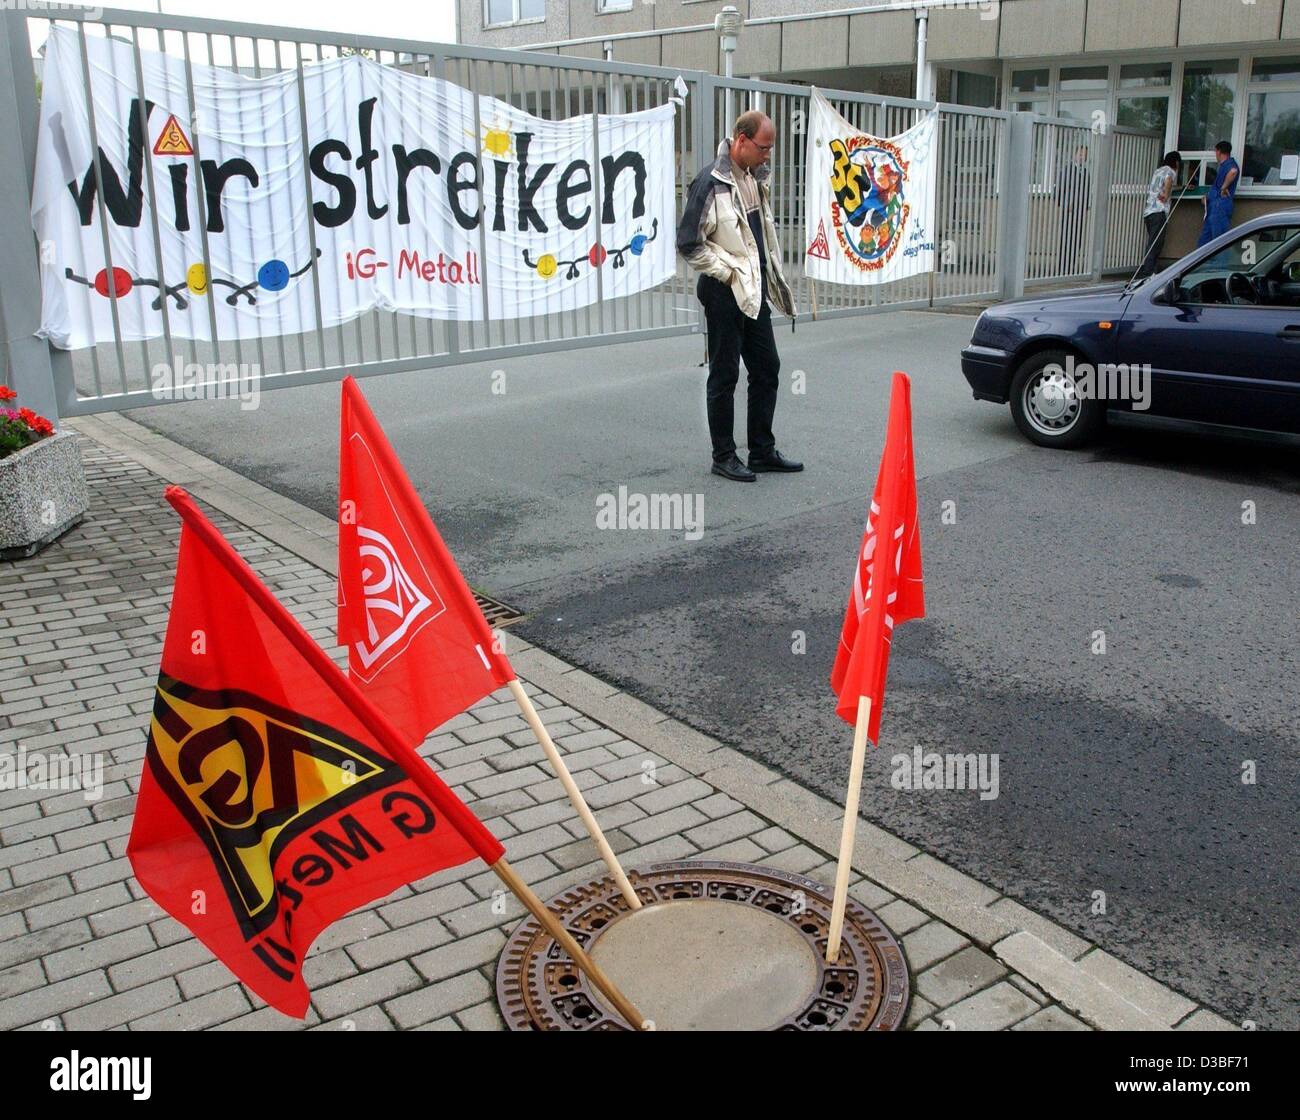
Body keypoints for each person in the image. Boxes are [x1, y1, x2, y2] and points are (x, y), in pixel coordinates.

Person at [676, 111, 800, 482]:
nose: (768, 156)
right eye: (764, 148)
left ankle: (761, 451)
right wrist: (728, 272)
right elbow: (688, 244)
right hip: (724, 292)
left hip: (754, 289)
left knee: (767, 367)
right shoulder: (709, 183)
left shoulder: (753, 178)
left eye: (771, 149)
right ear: (741, 140)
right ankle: (724, 456)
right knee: (725, 374)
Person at [1137, 151, 1182, 279]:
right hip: (1159, 212)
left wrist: (1180, 187)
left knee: (1153, 241)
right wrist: (1167, 195)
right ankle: (1147, 272)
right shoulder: (1171, 171)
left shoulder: (1158, 171)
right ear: (1176, 162)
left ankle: (1151, 271)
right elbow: (1168, 180)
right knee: (1156, 243)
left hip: (1149, 212)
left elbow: (1164, 184)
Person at [1056, 143, 1091, 275]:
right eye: (1080, 153)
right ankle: (1061, 269)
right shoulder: (1067, 170)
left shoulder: (1086, 173)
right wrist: (1065, 205)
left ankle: (1071, 267)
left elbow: (1086, 191)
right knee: (1066, 238)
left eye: (1085, 155)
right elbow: (1059, 188)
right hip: (1069, 211)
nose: (1083, 156)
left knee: (1077, 240)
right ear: (1074, 155)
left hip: (1080, 212)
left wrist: (1086, 206)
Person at [1197, 140, 1240, 247]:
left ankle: (1221, 263)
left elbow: (1233, 171)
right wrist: (1208, 197)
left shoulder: (1229, 164)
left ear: (1219, 151)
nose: (1215, 155)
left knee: (1219, 244)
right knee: (1204, 243)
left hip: (1220, 207)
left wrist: (1224, 187)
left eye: (1215, 152)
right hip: (1213, 206)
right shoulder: (1223, 166)